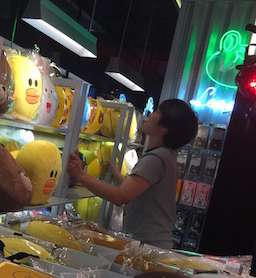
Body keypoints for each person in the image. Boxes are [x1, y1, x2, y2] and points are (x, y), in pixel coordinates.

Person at [67, 99, 198, 249]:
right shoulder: (166, 156)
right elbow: (141, 191)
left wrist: (80, 175)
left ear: (164, 127)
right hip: (154, 243)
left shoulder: (156, 159)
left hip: (147, 246)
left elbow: (120, 197)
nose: (150, 114)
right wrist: (118, 176)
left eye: (157, 112)